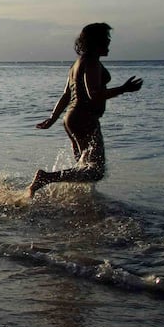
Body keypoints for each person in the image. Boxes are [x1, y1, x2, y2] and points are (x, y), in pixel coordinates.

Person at [27, 23, 143, 198]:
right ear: (97, 42)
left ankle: (78, 199)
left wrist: (53, 118)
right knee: (96, 171)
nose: (109, 43)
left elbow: (67, 94)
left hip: (72, 119)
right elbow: (94, 95)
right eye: (106, 39)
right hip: (84, 119)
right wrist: (123, 89)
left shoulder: (78, 63)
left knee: (84, 167)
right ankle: (45, 178)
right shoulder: (91, 62)